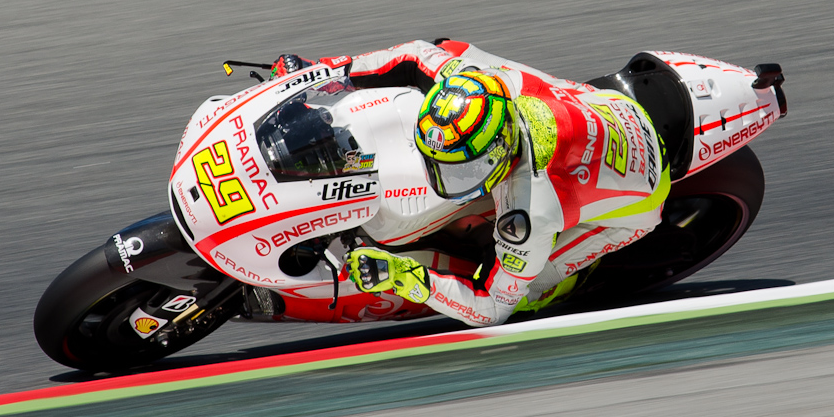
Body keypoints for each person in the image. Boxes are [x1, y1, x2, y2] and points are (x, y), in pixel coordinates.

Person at [270, 40, 669, 326]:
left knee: (526, 293)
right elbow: (414, 54)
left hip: (643, 195)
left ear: (500, 151)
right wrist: (324, 72)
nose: (443, 178)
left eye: (461, 170)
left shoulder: (530, 210)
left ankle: (563, 284)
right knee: (447, 44)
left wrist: (407, 277)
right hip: (605, 106)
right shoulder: (473, 81)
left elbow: (492, 308)